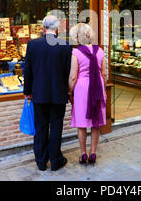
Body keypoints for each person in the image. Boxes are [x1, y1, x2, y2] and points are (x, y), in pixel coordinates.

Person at [23, 15, 72, 171]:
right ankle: (56, 160)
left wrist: (27, 91)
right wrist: (68, 91)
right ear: (57, 28)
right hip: (59, 94)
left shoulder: (33, 45)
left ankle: (41, 161)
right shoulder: (65, 45)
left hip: (39, 94)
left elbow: (27, 71)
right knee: (56, 127)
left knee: (41, 127)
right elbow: (68, 72)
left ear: (43, 28)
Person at [68, 23, 107, 166]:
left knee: (82, 123)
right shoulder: (100, 51)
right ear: (89, 35)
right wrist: (104, 91)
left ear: (77, 37)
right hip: (97, 87)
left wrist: (70, 91)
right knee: (95, 123)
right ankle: (93, 153)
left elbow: (73, 77)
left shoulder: (76, 53)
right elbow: (103, 74)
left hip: (82, 88)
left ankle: (83, 153)